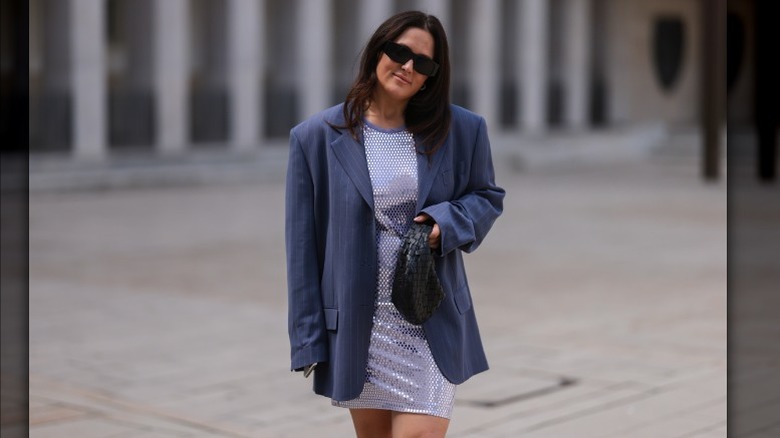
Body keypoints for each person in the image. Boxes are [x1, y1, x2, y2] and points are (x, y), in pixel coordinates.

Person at [286, 10, 505, 437]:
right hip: (359, 328)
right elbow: (301, 249)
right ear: (378, 51)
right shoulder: (315, 137)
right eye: (400, 52)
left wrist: (444, 223)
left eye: (422, 63)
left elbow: (486, 197)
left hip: (428, 315)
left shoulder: (462, 129)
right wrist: (308, 340)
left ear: (430, 77)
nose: (407, 66)